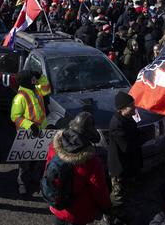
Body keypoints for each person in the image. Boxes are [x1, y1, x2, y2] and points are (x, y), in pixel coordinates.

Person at [45, 112, 111, 225]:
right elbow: (99, 189)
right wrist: (107, 208)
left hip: (56, 205)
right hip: (77, 212)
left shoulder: (54, 146)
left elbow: (47, 169)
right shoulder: (92, 161)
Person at [10, 70, 51, 196]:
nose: (35, 80)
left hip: (40, 131)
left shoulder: (36, 90)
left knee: (39, 159)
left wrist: (41, 77)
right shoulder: (20, 97)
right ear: (27, 81)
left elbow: (46, 89)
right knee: (24, 163)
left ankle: (34, 180)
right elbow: (15, 117)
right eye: (33, 78)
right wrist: (30, 125)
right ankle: (21, 182)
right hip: (27, 133)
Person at [108, 91, 142, 221]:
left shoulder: (126, 118)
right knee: (118, 194)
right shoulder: (116, 124)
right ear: (122, 108)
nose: (134, 107)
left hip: (127, 164)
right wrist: (140, 138)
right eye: (131, 105)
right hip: (119, 167)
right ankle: (114, 216)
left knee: (124, 190)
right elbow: (127, 146)